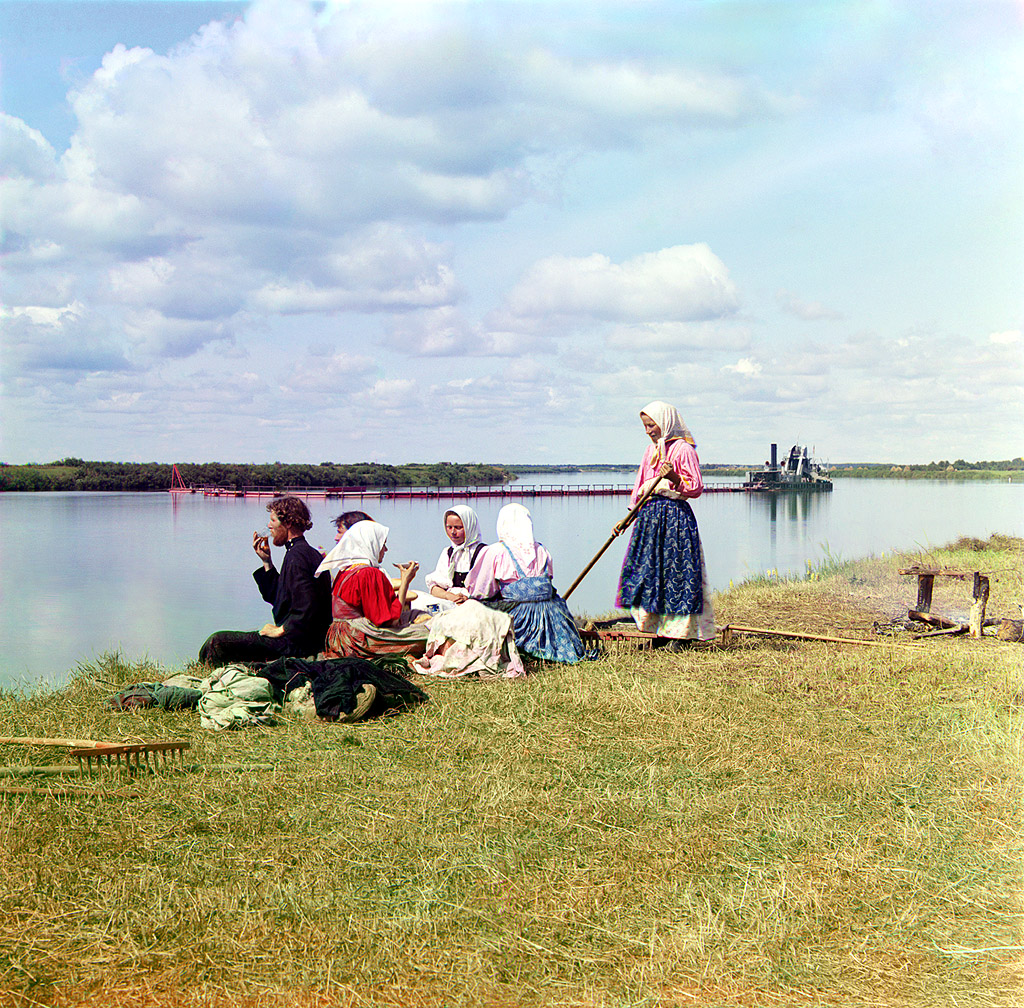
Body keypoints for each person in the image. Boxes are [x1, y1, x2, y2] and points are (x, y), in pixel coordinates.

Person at [615, 401, 716, 649]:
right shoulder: (650, 452)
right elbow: (639, 489)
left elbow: (696, 488)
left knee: (677, 574)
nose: (649, 431)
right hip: (649, 518)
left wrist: (673, 478)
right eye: (646, 427)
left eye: (652, 425)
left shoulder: (684, 450)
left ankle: (680, 635)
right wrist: (627, 519)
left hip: (674, 519)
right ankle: (658, 632)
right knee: (649, 575)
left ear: (666, 423)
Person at [199, 496, 332, 666]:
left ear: (288, 523)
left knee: (217, 642)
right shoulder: (306, 552)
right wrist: (267, 562)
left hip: (297, 644)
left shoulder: (297, 556)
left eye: (273, 520)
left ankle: (207, 674)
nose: (269, 526)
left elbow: (308, 606)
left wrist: (281, 629)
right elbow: (281, 598)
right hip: (304, 639)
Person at [464, 503, 585, 663]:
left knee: (474, 606)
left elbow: (480, 590)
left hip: (519, 618)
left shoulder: (496, 551)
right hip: (551, 614)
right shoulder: (542, 550)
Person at [316, 520, 430, 660]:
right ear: (371, 544)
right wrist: (405, 581)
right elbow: (390, 621)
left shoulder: (345, 570)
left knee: (418, 617)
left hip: (338, 638)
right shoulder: (369, 574)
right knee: (428, 634)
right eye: (383, 544)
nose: (385, 549)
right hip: (356, 641)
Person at [424, 506, 487, 603]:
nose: (453, 532)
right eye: (449, 527)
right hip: (451, 602)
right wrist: (448, 595)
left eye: (458, 528)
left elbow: (487, 589)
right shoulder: (448, 553)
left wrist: (468, 598)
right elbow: (434, 587)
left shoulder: (483, 552)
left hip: (475, 604)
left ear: (469, 526)